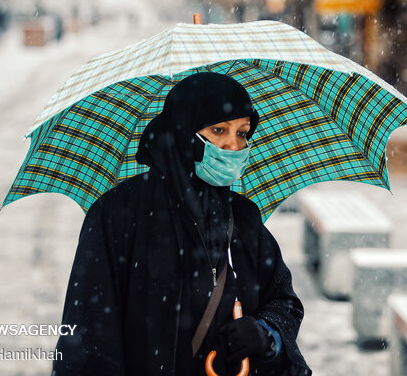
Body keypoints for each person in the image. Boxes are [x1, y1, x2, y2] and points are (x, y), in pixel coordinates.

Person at [52, 73, 311, 375]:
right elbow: (87, 338)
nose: (233, 145)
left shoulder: (243, 217)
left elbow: (284, 301)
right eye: (218, 130)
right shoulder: (117, 215)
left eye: (242, 133)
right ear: (184, 132)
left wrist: (266, 334)